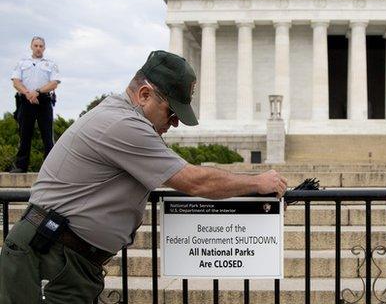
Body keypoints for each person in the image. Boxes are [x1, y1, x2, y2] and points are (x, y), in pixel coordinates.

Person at [0, 50, 288, 303]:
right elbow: (192, 180)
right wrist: (257, 182)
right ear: (145, 95)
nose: (174, 123)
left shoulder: (123, 117)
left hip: (64, 255)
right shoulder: (124, 124)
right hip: (50, 254)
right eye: (171, 111)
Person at [9, 36, 61, 173]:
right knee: (24, 134)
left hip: (44, 101)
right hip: (26, 101)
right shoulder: (22, 63)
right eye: (36, 45)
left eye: (40, 46)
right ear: (31, 46)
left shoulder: (50, 64)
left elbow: (54, 83)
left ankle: (50, 169)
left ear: (44, 48)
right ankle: (21, 166)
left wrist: (37, 92)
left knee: (47, 136)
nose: (38, 48)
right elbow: (16, 81)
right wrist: (28, 94)